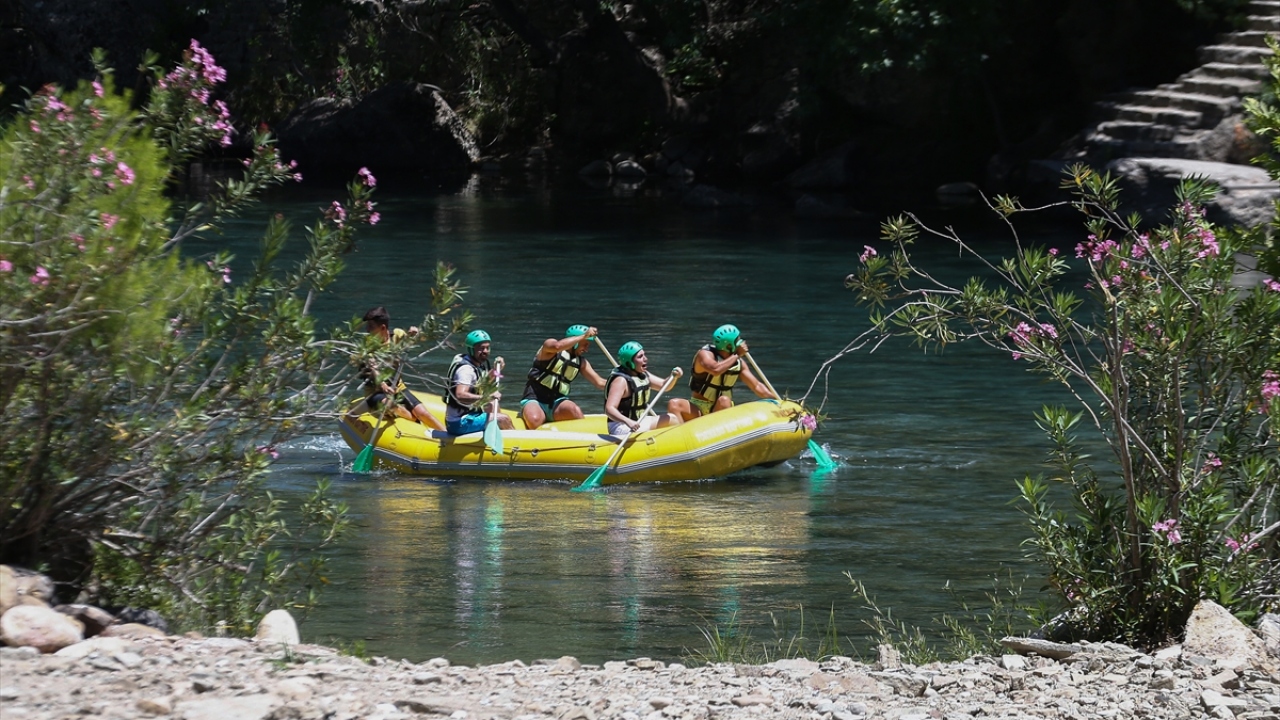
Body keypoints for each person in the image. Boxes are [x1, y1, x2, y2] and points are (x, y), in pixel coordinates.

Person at [360, 306, 445, 432]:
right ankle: (415, 422)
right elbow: (373, 367)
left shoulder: (397, 336)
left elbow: (416, 340)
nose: (367, 330)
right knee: (389, 405)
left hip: (397, 387)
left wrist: (415, 334)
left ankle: (448, 437)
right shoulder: (368, 345)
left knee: (423, 413)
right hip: (375, 392)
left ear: (383, 328)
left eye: (371, 327)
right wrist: (383, 384)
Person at [669, 324, 772, 422]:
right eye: (738, 340)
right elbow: (715, 370)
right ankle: (680, 437)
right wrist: (737, 354)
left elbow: (757, 386)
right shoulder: (704, 355)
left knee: (724, 400)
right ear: (729, 345)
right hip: (698, 407)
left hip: (722, 407)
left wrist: (776, 399)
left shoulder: (738, 363)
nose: (741, 343)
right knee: (674, 404)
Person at [520, 324, 609, 429]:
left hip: (557, 401)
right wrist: (583, 336)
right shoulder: (549, 347)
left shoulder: (581, 362)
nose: (586, 349)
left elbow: (599, 383)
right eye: (585, 344)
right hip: (535, 398)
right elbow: (557, 346)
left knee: (575, 411)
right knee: (534, 420)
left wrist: (622, 383)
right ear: (575, 342)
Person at [443, 329, 515, 435]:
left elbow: (481, 383)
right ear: (471, 349)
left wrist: (496, 370)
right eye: (481, 348)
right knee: (504, 419)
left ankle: (497, 434)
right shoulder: (466, 370)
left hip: (470, 414)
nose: (485, 351)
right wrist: (486, 397)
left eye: (487, 347)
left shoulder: (474, 362)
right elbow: (460, 394)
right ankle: (517, 445)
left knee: (493, 404)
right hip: (459, 422)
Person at [603, 341, 683, 437]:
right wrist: (628, 421)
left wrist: (673, 376)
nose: (645, 359)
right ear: (630, 362)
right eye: (640, 357)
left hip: (639, 421)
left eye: (644, 355)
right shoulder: (620, 381)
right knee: (672, 419)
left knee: (672, 418)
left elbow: (663, 386)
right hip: (621, 426)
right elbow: (609, 409)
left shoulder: (642, 375)